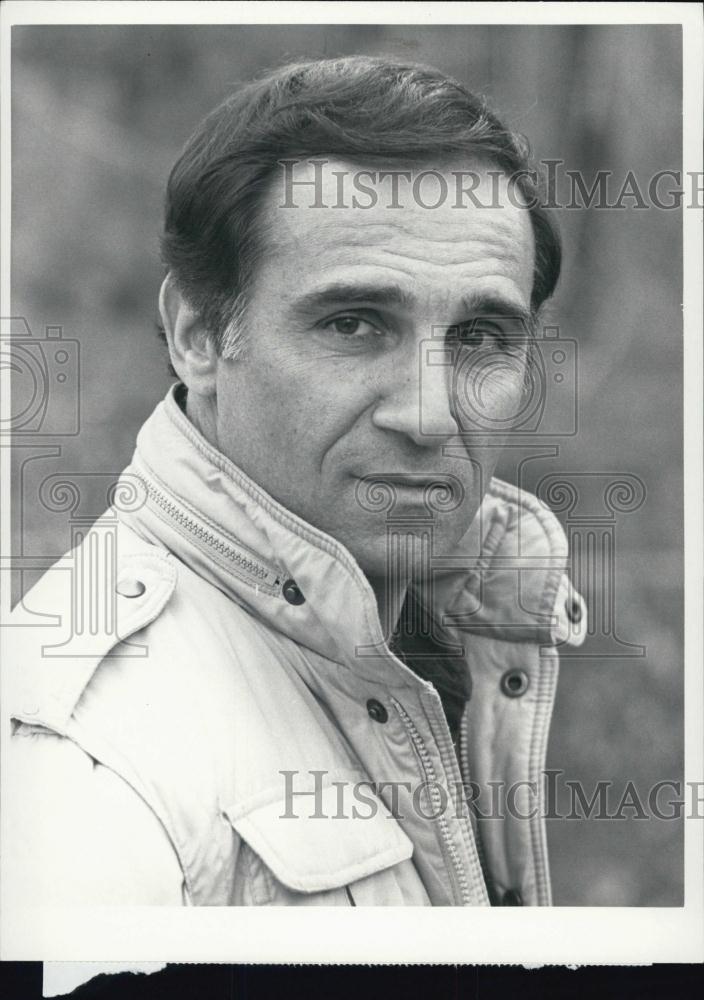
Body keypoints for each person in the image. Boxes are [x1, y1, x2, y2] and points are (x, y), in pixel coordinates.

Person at [5, 56, 586, 907]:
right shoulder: (81, 766)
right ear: (198, 335)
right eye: (354, 324)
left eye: (480, 337)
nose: (429, 414)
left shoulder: (450, 645)